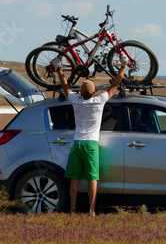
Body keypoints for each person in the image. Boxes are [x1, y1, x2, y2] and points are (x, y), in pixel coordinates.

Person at [54, 54, 129, 215]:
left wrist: (59, 68)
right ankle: (91, 210)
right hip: (91, 145)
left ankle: (73, 209)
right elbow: (115, 84)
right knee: (92, 179)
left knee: (74, 178)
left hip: (77, 144)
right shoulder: (99, 100)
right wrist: (123, 66)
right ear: (94, 92)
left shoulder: (75, 100)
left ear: (80, 92)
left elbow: (65, 85)